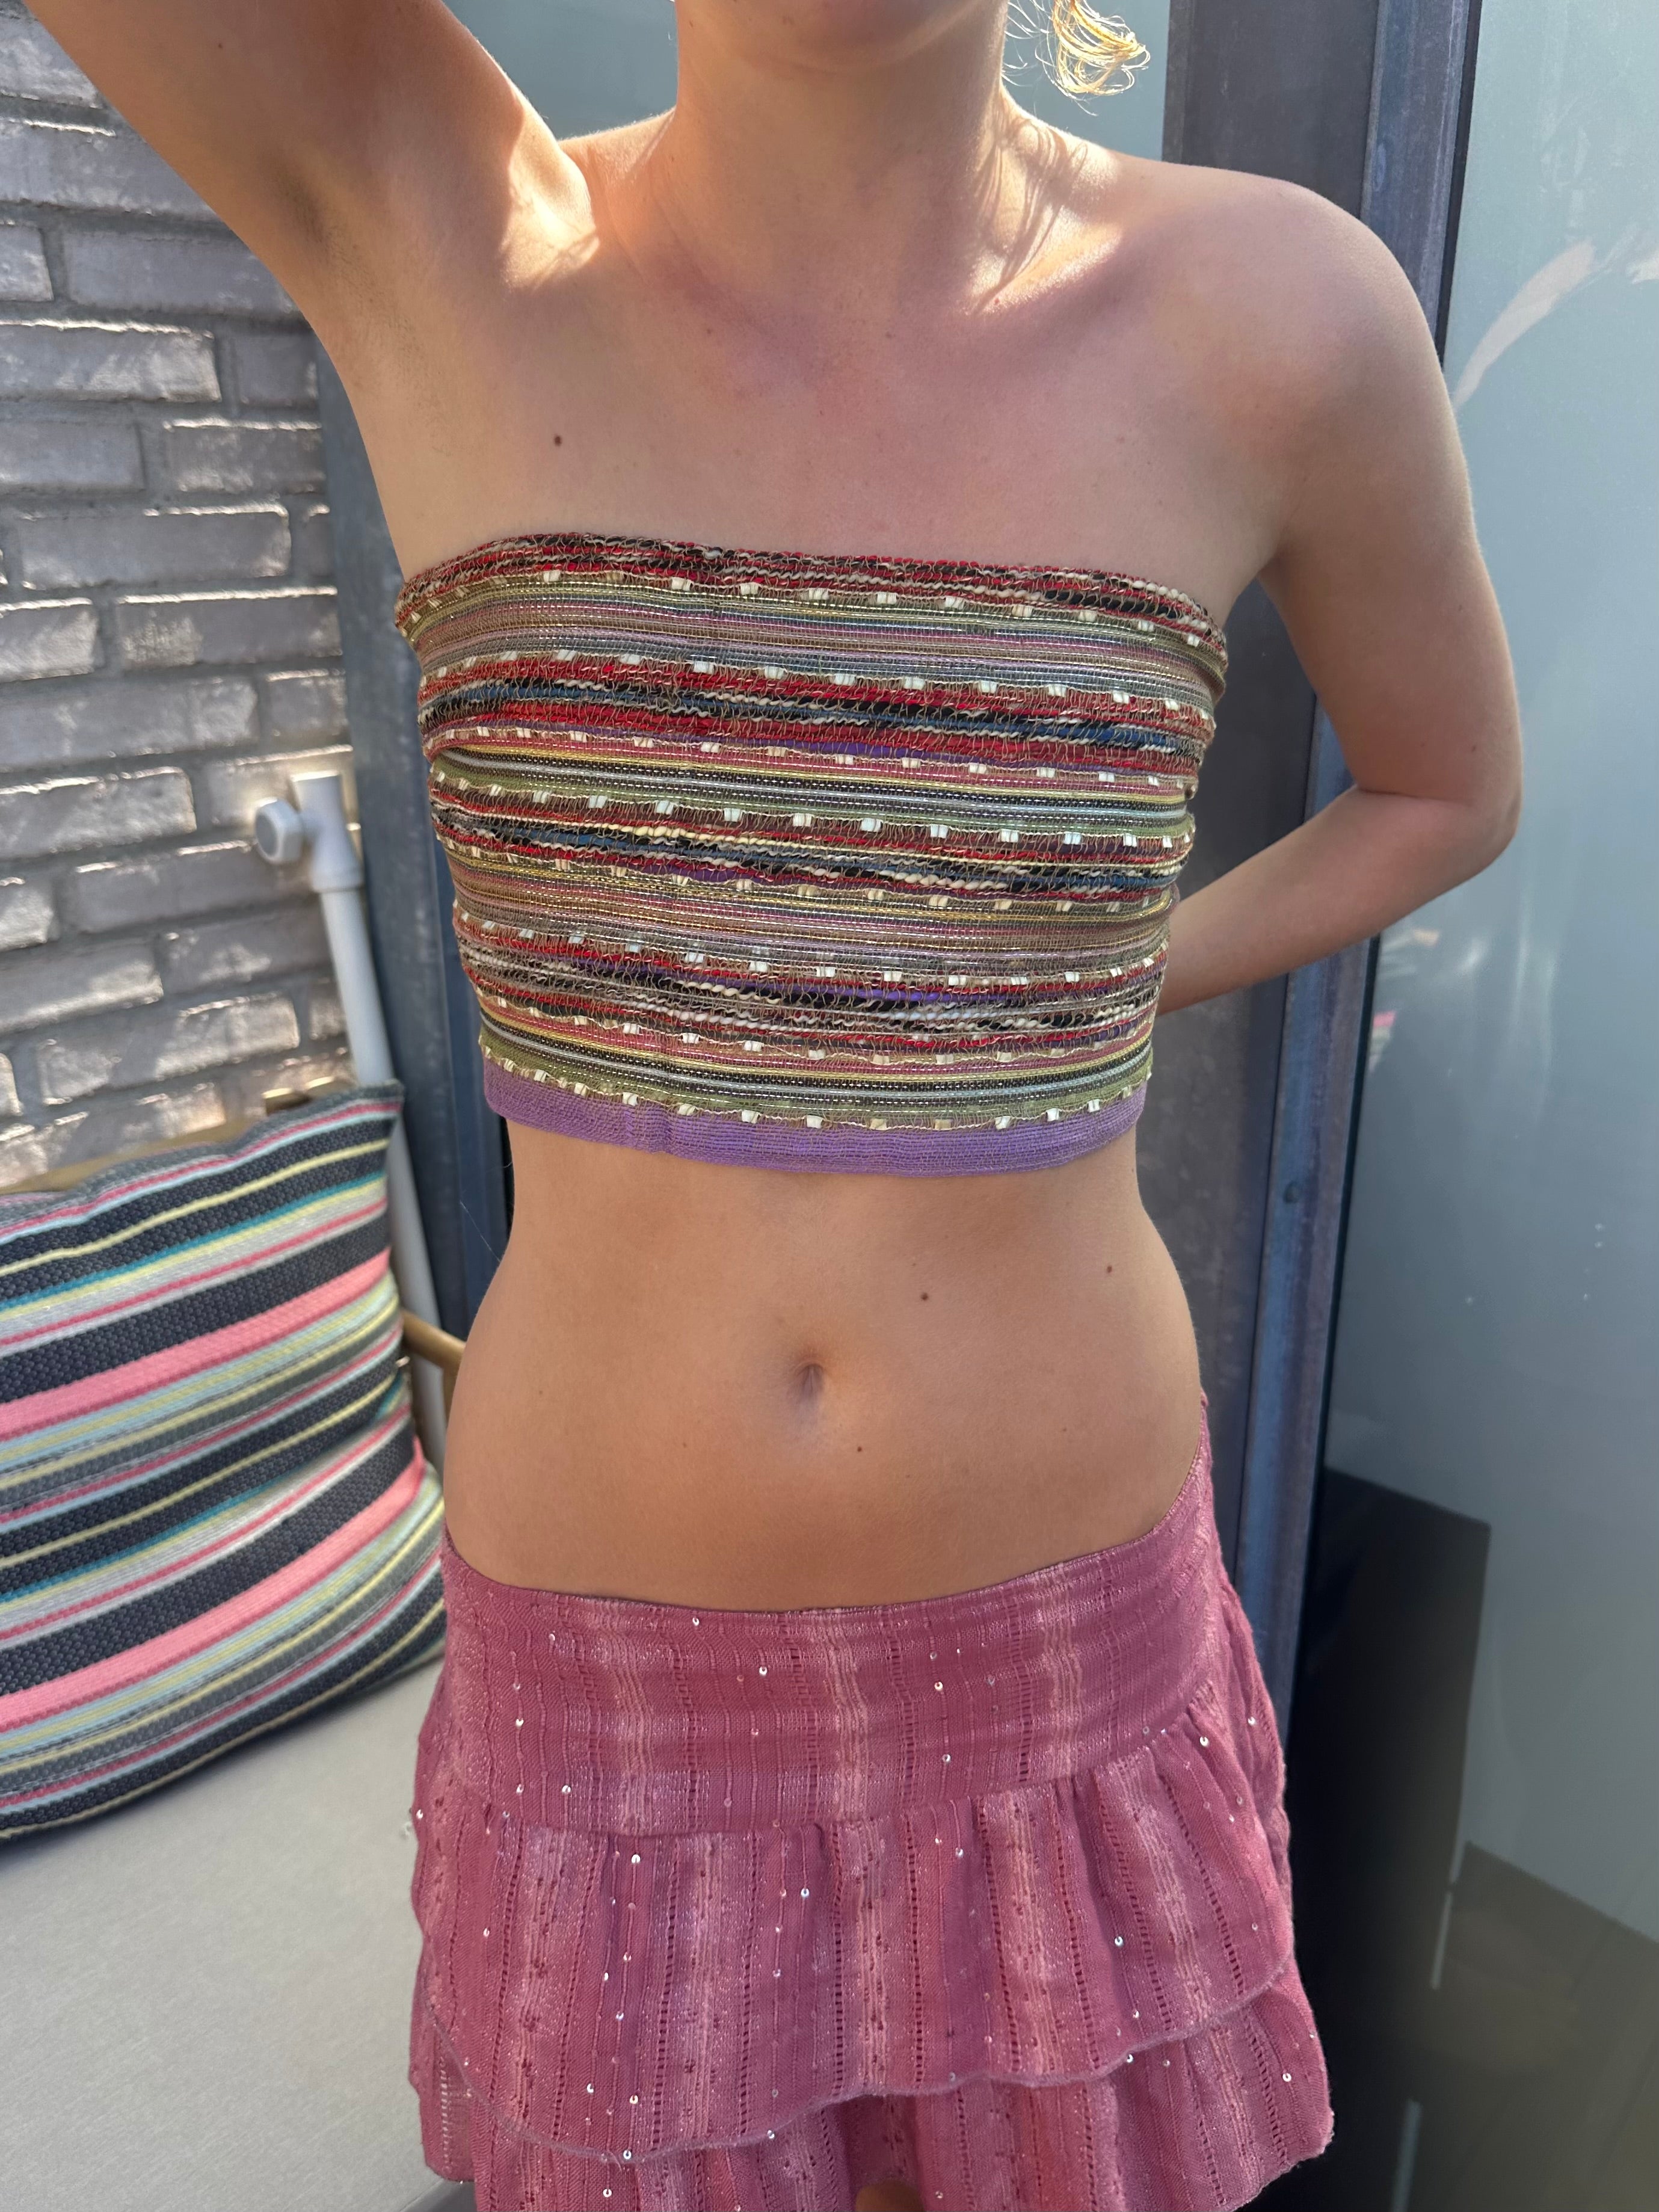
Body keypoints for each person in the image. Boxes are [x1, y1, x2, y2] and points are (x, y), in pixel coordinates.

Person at [36, 4, 1522, 2207]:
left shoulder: (1279, 310)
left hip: (1065, 1658)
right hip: (612, 1699)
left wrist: (1093, 978)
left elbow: (1446, 787)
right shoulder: (438, 214)